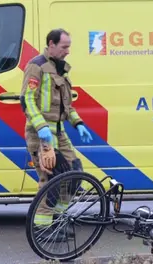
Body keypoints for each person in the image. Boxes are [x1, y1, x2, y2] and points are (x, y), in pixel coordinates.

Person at [20, 28, 93, 239]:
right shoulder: (37, 66)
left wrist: (77, 123)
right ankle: (42, 228)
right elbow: (27, 101)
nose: (68, 51)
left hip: (59, 133)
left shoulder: (61, 69)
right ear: (51, 45)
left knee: (74, 174)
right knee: (50, 180)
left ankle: (58, 220)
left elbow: (66, 105)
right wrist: (41, 127)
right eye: (64, 47)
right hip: (41, 135)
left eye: (69, 46)